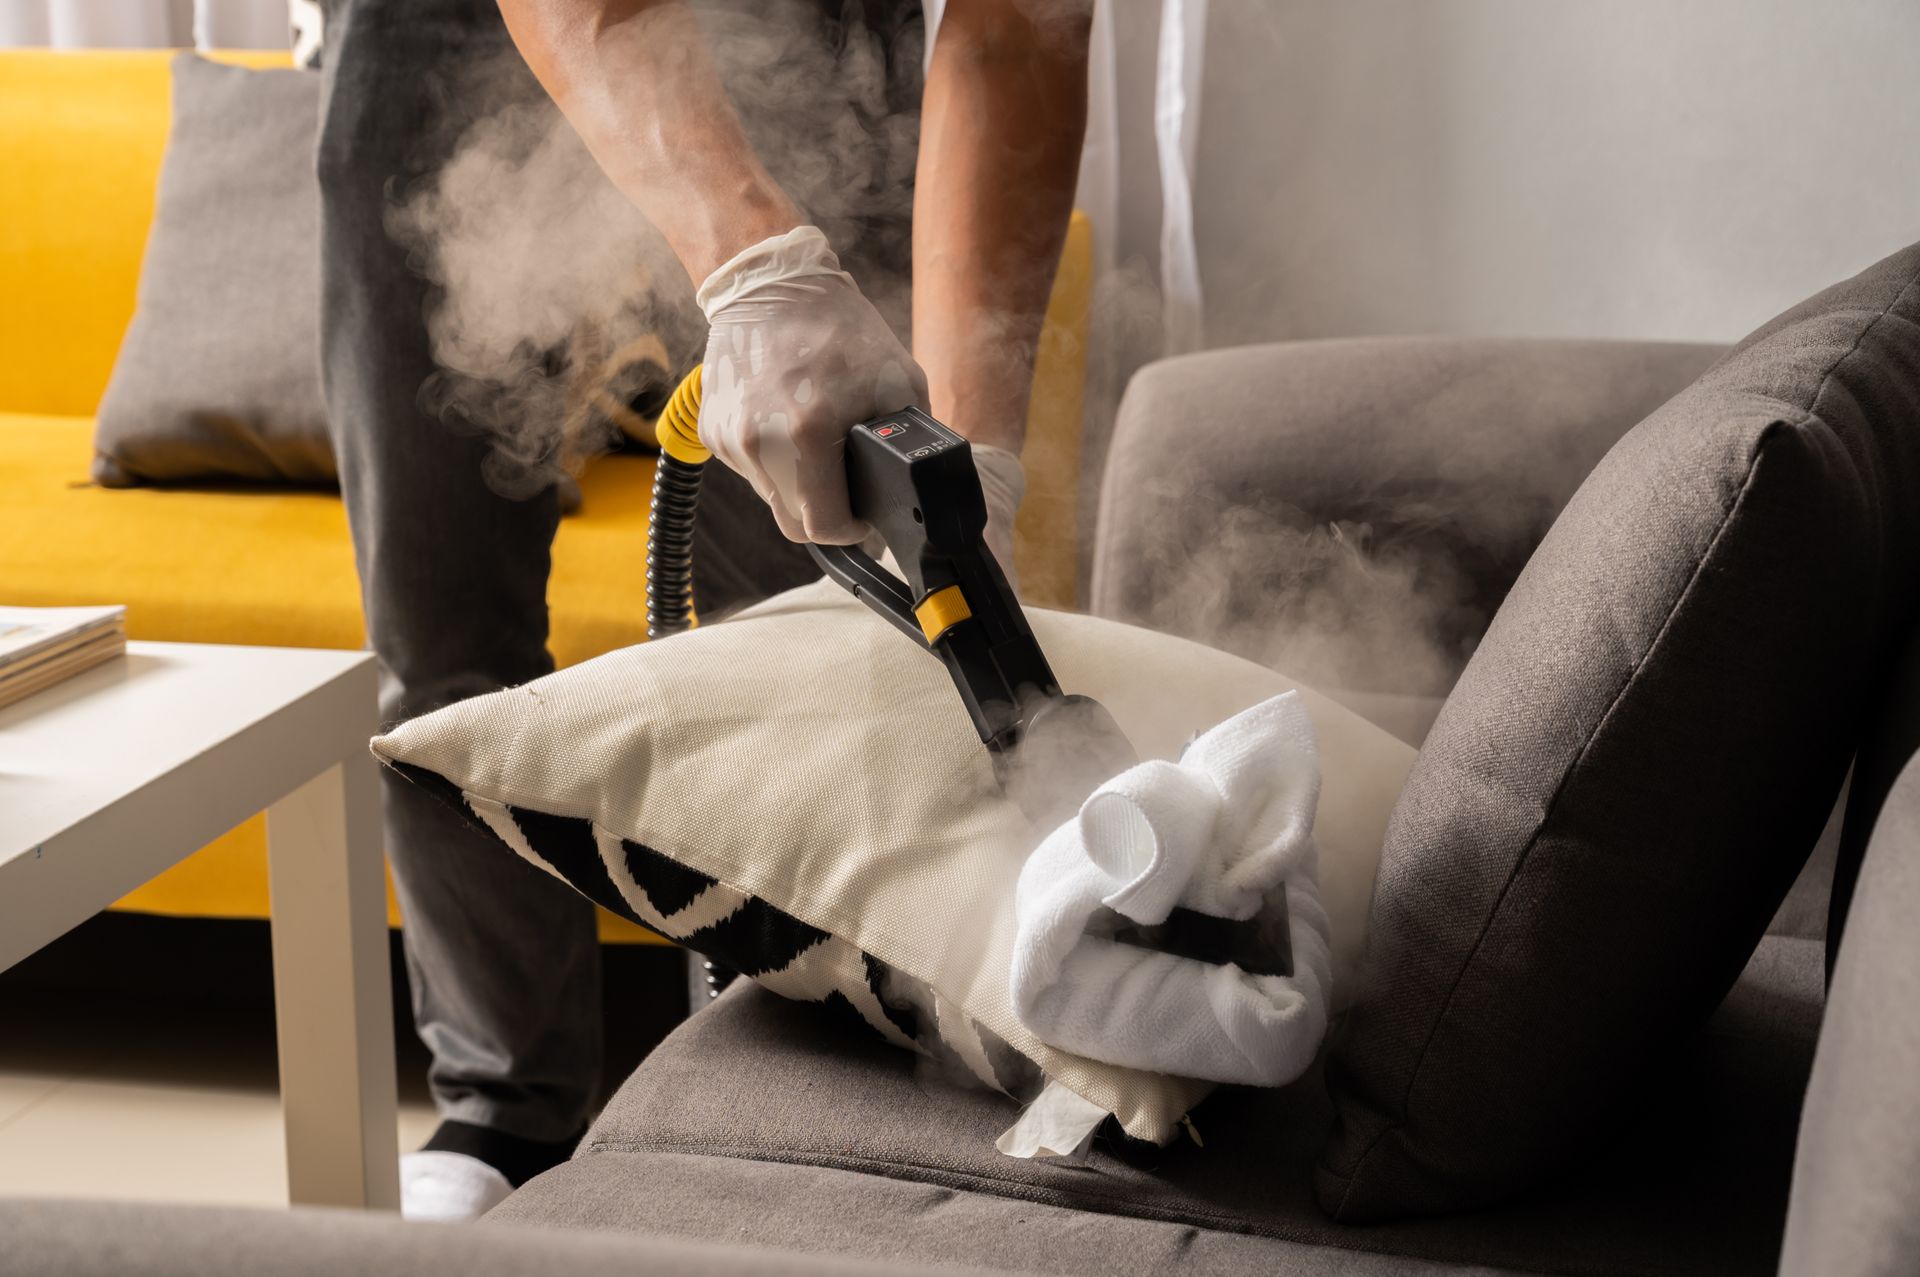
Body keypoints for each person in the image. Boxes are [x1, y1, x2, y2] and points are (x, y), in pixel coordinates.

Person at [317, 0, 1089, 1221]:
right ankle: (505, 1106)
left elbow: (1014, 35)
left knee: (801, 650)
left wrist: (969, 459)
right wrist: (754, 261)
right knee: (447, 637)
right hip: (451, 32)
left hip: (815, 46)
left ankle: (757, 1109)